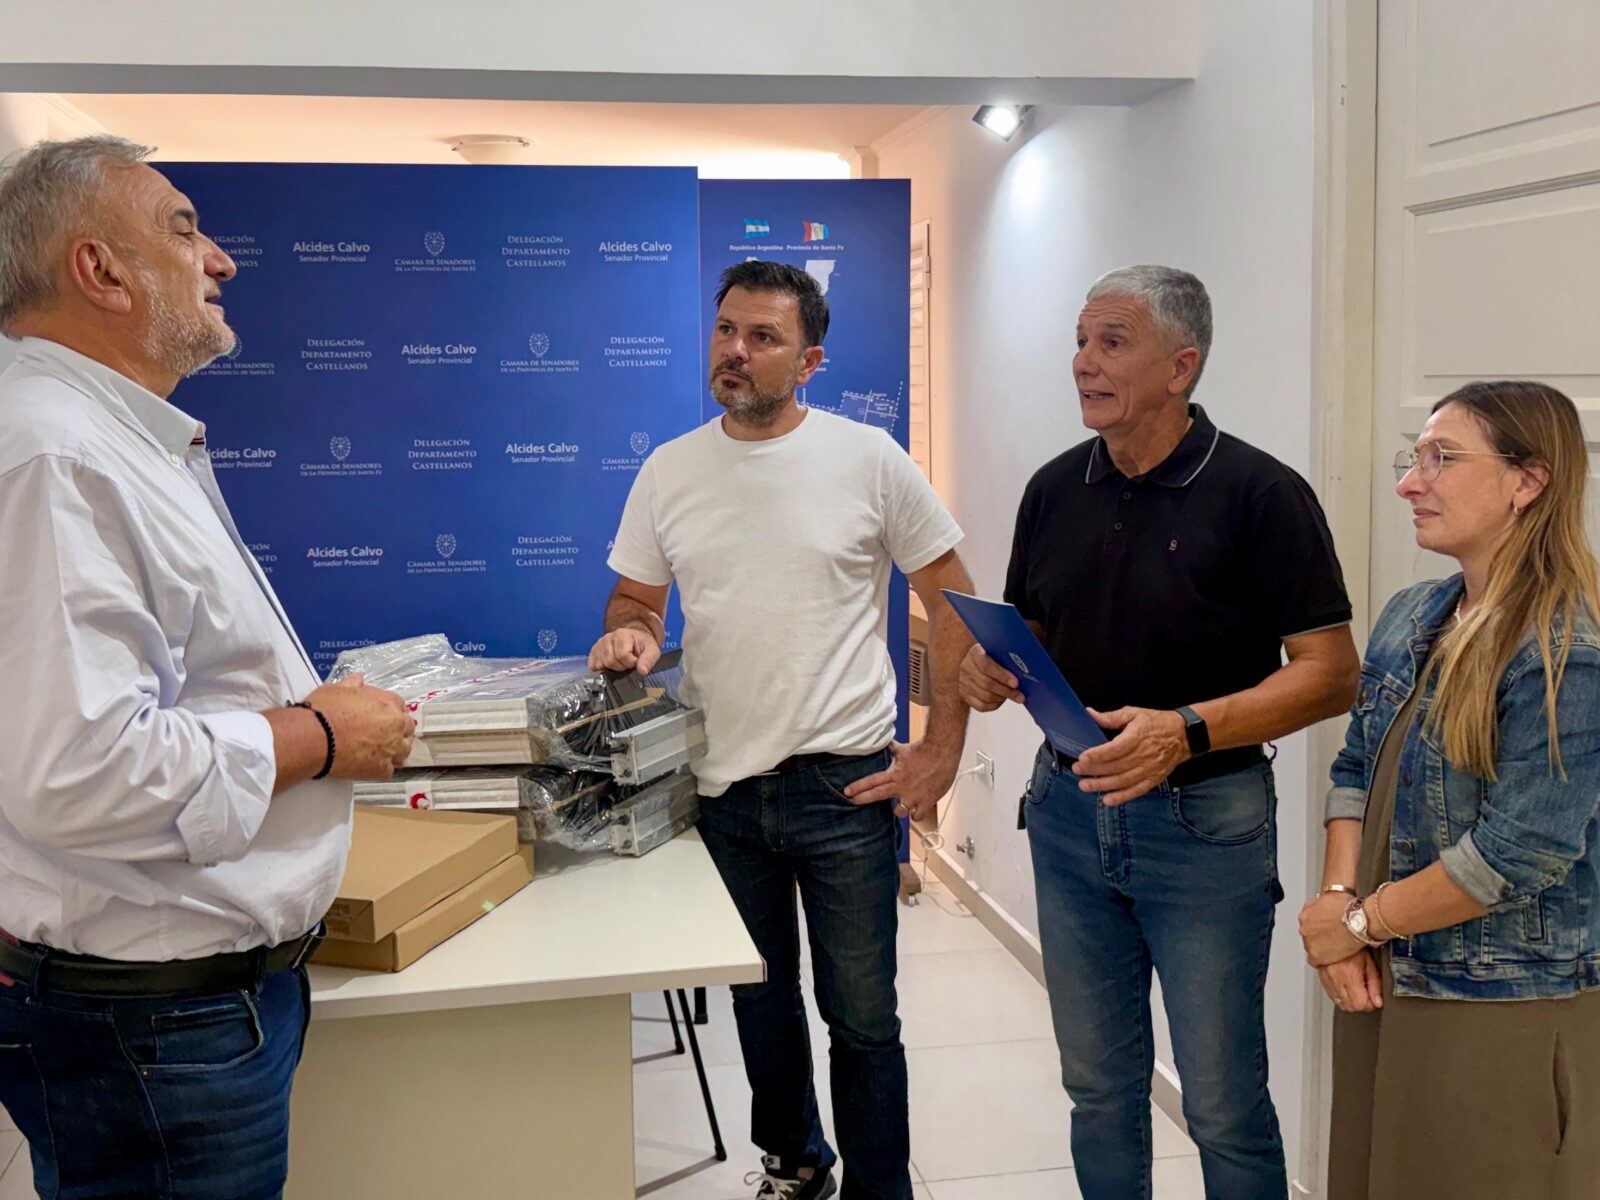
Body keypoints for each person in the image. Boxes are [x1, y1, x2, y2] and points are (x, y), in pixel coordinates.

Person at [0, 135, 415, 1199]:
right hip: (154, 1026)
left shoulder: (104, 437)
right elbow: (82, 770)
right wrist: (320, 735)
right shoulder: (57, 455)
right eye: (184, 230)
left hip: (175, 1011)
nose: (220, 258)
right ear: (100, 271)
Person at [959, 264, 1359, 1200]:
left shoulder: (1262, 493)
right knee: (1097, 1089)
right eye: (1080, 341)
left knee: (1221, 1105)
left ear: (1182, 366)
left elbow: (1331, 672)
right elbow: (1034, 631)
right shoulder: (1054, 488)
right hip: (1068, 815)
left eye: (1112, 342)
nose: (1082, 363)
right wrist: (989, 668)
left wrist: (1186, 730)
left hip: (1204, 826)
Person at [589, 260, 974, 1200]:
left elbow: (953, 604)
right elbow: (635, 600)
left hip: (845, 786)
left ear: (809, 362)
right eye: (726, 330)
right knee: (760, 1001)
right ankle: (797, 1162)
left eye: (763, 337)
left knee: (862, 1017)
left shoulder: (869, 459)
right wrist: (629, 635)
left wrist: (943, 750)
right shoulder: (670, 469)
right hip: (723, 790)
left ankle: (881, 1189)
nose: (736, 350)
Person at [1301, 381, 1600, 1199]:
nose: (1410, 482)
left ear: (1527, 481)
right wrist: (1338, 905)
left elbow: (1517, 854)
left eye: (1441, 458)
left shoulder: (1568, 651)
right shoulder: (1414, 614)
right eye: (1414, 458)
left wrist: (1355, 924)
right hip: (1388, 972)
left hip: (1496, 1002)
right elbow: (1354, 770)